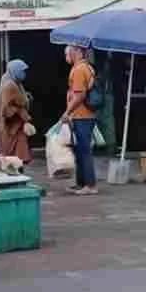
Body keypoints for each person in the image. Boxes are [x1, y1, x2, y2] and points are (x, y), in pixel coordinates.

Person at [59, 45, 97, 195]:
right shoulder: (84, 67)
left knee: (84, 151)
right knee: (79, 151)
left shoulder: (80, 70)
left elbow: (79, 96)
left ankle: (90, 185)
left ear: (76, 52)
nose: (66, 56)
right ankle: (81, 183)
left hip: (83, 116)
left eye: (67, 53)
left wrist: (67, 112)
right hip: (81, 116)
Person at [0, 59, 35, 163]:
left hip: (16, 128)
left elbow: (17, 100)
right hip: (11, 129)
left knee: (16, 159)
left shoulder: (16, 84)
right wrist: (21, 112)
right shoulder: (10, 85)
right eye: (22, 71)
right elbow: (6, 109)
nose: (24, 74)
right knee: (15, 160)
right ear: (15, 71)